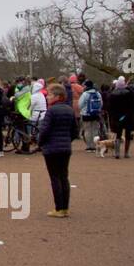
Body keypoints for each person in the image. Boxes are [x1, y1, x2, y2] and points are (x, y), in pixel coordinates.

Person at [37, 83, 77, 217]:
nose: (47, 97)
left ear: (57, 96)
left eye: (50, 95)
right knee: (64, 177)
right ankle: (65, 208)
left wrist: (40, 143)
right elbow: (74, 131)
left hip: (51, 148)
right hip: (65, 147)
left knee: (55, 178)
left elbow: (44, 131)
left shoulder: (51, 111)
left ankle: (58, 208)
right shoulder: (69, 110)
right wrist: (67, 140)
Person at [106, 76, 134, 159]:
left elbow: (109, 106)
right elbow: (133, 105)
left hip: (117, 116)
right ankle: (126, 152)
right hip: (127, 116)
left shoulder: (112, 94)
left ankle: (117, 152)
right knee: (127, 134)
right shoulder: (129, 93)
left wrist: (112, 115)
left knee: (118, 135)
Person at [78, 79, 103, 151]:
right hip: (96, 114)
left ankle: (89, 146)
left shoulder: (85, 94)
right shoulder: (98, 93)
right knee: (95, 130)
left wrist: (83, 110)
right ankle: (95, 145)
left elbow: (80, 105)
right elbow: (101, 104)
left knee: (87, 130)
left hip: (86, 114)